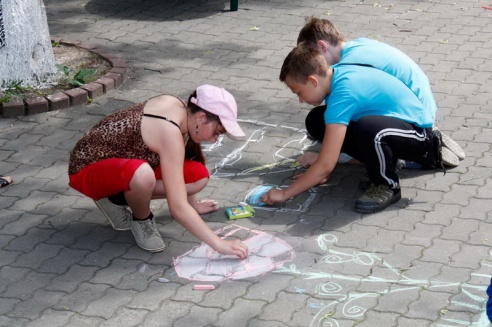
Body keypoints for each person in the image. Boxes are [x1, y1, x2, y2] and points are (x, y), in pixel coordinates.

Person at [68, 84, 248, 258]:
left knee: (197, 176)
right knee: (142, 175)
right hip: (87, 169)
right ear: (201, 118)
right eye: (217, 132)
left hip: (122, 164)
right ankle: (140, 219)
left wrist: (194, 206)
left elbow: (178, 169)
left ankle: (117, 197)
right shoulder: (169, 132)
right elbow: (177, 207)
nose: (215, 139)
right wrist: (219, 244)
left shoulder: (181, 108)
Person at [261, 45, 446, 213]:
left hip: (418, 134)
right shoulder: (335, 76)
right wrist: (318, 171)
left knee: (369, 130)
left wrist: (285, 193)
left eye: (299, 92)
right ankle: (382, 160)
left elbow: (326, 165)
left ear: (313, 81)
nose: (300, 99)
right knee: (317, 120)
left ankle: (387, 185)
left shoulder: (344, 93)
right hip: (392, 126)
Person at [294, 17, 465, 169]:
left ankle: (413, 156)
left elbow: (339, 117)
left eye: (313, 58)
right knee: (319, 120)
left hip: (414, 120)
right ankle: (424, 139)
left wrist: (327, 158)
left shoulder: (347, 68)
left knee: (349, 126)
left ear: (322, 46)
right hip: (418, 108)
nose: (313, 65)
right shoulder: (360, 45)